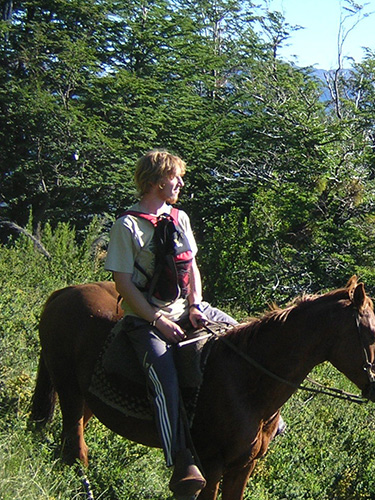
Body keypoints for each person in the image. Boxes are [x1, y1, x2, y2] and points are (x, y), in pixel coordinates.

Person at [105, 149, 236, 497]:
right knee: (165, 378)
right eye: (175, 177)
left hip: (186, 308)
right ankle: (181, 457)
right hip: (145, 319)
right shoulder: (127, 225)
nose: (180, 183)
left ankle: (266, 417)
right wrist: (157, 320)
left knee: (240, 335)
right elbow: (122, 283)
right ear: (156, 180)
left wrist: (195, 305)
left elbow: (191, 266)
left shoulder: (180, 218)